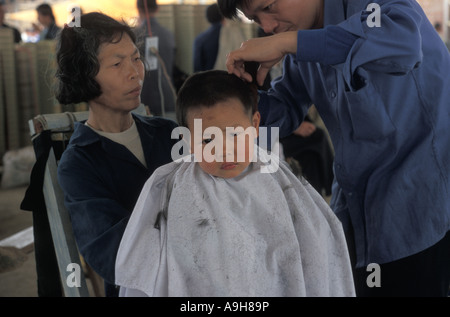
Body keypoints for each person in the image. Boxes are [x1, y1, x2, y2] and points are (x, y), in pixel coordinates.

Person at [218, 0, 450, 297]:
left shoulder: (368, 6)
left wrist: (288, 43)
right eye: (255, 19)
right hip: (355, 209)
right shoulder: (302, 39)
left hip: (415, 210)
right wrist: (242, 100)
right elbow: (287, 106)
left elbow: (402, 42)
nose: (267, 26)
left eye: (269, 6)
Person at [115, 70, 355, 297]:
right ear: (186, 139)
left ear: (255, 124)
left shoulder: (280, 179)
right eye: (208, 140)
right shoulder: (166, 187)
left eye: (235, 135)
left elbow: (320, 253)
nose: (225, 151)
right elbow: (145, 276)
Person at [55, 12, 178, 297]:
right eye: (117, 63)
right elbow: (116, 255)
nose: (135, 72)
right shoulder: (79, 164)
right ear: (85, 75)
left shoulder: (169, 134)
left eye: (136, 58)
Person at [135, 0, 176, 117]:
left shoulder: (133, 35)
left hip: (142, 100)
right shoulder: (168, 34)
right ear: (157, 9)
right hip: (167, 96)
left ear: (138, 9)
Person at [193, 3, 224, 72]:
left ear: (207, 18)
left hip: (208, 79)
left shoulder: (200, 39)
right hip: (228, 78)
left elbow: (197, 67)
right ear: (223, 16)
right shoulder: (230, 35)